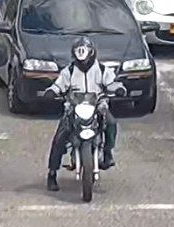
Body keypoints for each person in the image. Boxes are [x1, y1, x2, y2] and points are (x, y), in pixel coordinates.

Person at [44, 37, 123, 191]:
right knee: (60, 137)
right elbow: (58, 85)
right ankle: (52, 173)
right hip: (74, 107)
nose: (83, 62)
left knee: (111, 123)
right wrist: (51, 91)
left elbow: (112, 82)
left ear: (92, 53)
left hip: (98, 105)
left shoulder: (101, 69)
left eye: (86, 56)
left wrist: (118, 88)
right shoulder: (69, 71)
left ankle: (107, 152)